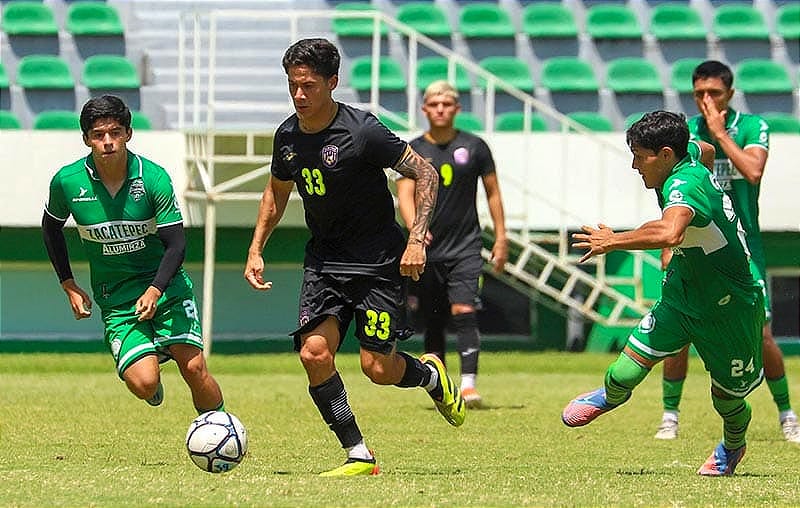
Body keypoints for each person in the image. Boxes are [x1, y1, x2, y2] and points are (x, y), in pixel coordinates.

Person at [243, 38, 465, 477]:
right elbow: (276, 191)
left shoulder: (362, 131)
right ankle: (358, 453)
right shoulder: (287, 136)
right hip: (324, 264)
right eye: (293, 86)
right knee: (313, 353)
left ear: (332, 82)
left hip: (378, 266)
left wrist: (417, 238)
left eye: (308, 86)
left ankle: (429, 377)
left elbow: (424, 172)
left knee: (377, 368)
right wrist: (255, 248)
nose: (300, 95)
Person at [562, 110, 765, 476]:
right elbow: (704, 150)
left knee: (728, 399)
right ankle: (610, 395)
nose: (635, 165)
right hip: (682, 294)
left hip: (730, 305)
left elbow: (670, 232)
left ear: (666, 154)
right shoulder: (687, 151)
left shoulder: (682, 185)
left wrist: (614, 240)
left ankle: (733, 445)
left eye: (640, 156)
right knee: (624, 373)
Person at [42, 95, 224, 415]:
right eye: (98, 135)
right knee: (144, 384)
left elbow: (177, 245)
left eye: (115, 132)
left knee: (193, 367)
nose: (108, 142)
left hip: (165, 289)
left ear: (128, 133)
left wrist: (155, 290)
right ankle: (151, 366)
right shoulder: (67, 182)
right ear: (86, 139)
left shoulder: (154, 178)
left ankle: (223, 432)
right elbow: (50, 228)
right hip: (116, 297)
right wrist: (68, 284)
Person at [653, 60, 799, 443]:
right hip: (692, 247)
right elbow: (669, 188)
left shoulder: (752, 127)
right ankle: (670, 416)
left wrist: (719, 133)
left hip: (743, 249)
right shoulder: (683, 133)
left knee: (762, 334)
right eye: (699, 93)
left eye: (714, 93)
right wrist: (669, 242)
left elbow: (752, 171)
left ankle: (787, 414)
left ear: (730, 94)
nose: (706, 100)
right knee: (679, 329)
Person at [395, 80, 507, 409]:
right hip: (426, 250)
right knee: (433, 318)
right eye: (434, 104)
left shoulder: (475, 147)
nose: (440, 109)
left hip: (466, 246)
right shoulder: (412, 150)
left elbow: (493, 193)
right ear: (424, 109)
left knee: (463, 308)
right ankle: (440, 388)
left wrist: (501, 237)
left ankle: (469, 385)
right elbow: (403, 194)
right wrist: (416, 229)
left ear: (457, 109)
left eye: (447, 104)